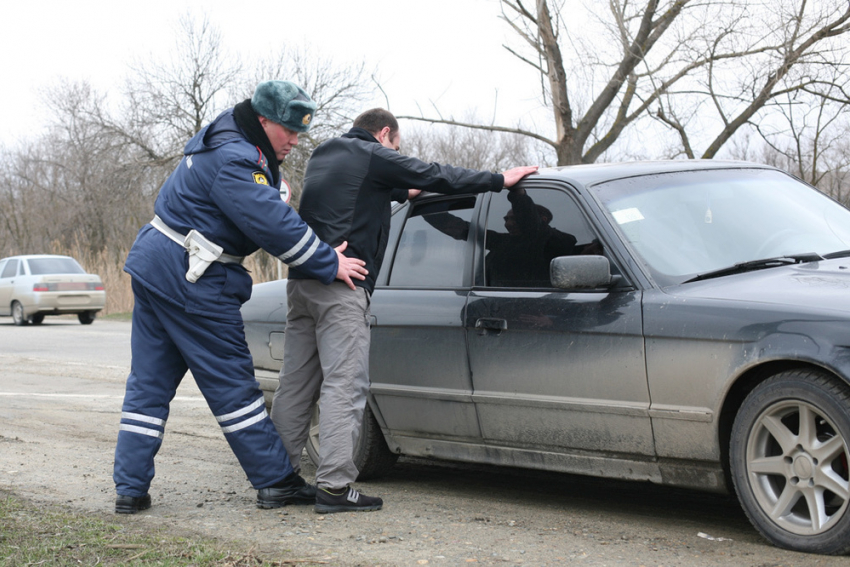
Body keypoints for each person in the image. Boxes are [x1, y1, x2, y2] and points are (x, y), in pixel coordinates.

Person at [112, 80, 367, 514]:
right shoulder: (237, 158)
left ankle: (129, 490)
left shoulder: (223, 137)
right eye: (287, 130)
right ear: (263, 120)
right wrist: (329, 262)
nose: (294, 139)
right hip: (191, 276)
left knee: (148, 387)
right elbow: (272, 224)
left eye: (299, 132)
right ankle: (275, 481)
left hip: (156, 264)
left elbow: (260, 205)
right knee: (234, 387)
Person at [270, 108, 538, 513]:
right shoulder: (374, 154)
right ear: (385, 135)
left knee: (295, 385)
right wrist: (500, 179)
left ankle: (277, 483)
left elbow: (362, 194)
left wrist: (401, 191)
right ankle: (335, 488)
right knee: (346, 385)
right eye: (397, 146)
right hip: (344, 284)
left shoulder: (326, 153)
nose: (397, 153)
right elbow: (433, 172)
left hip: (303, 283)